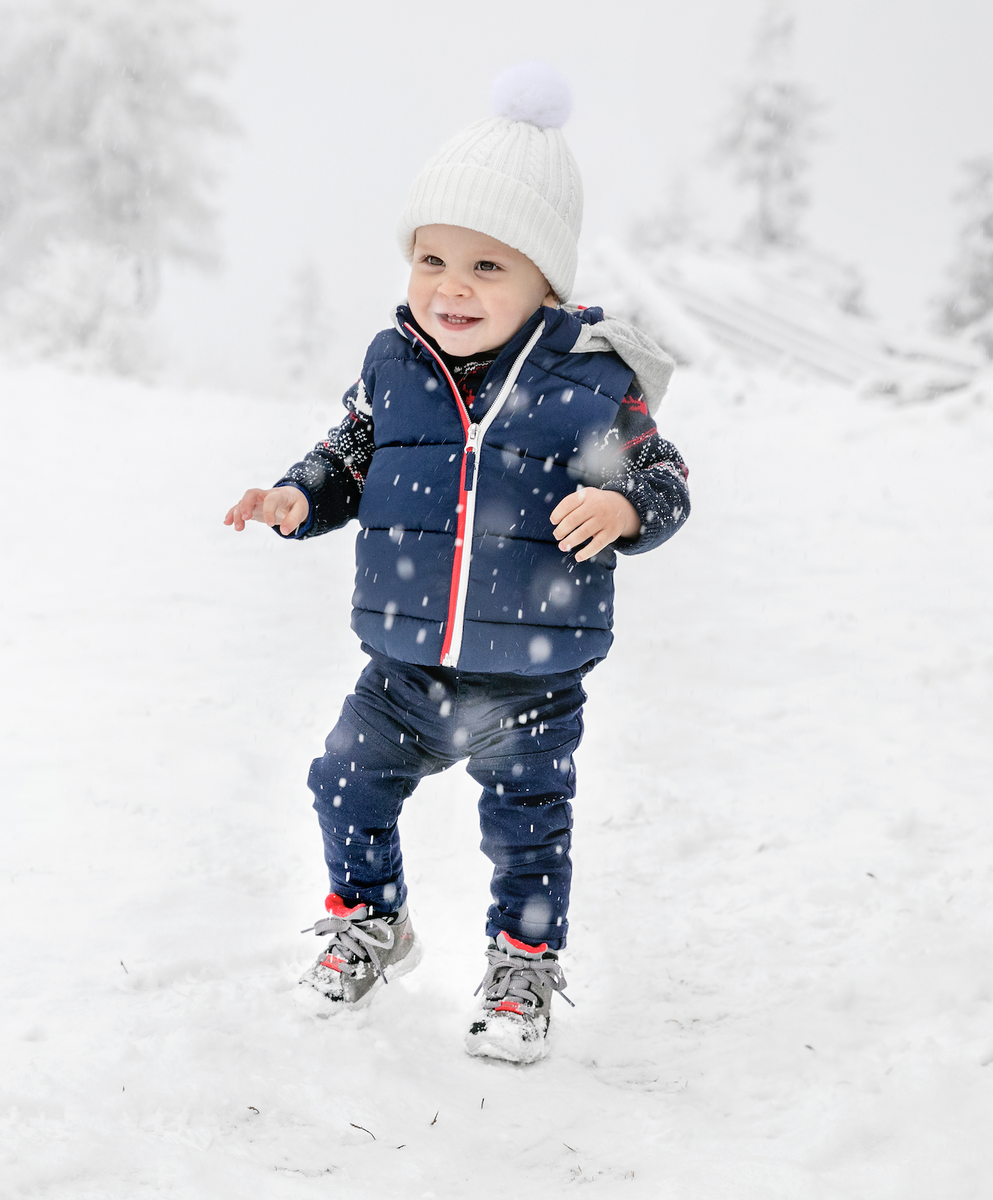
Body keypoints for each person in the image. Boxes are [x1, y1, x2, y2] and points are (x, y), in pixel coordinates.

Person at [225, 62, 690, 1063]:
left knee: (528, 828)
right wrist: (298, 497)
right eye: (431, 259)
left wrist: (621, 503)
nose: (449, 286)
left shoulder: (587, 383)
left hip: (532, 672)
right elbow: (349, 453)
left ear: (545, 282)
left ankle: (520, 967)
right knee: (342, 780)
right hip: (403, 663)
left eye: (487, 267)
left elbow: (663, 477)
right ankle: (372, 919)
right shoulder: (394, 365)